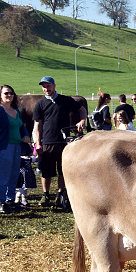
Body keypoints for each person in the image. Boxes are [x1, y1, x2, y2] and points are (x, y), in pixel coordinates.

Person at [31, 76, 87, 207]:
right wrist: (37, 142)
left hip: (63, 141)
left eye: (48, 85)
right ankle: (46, 195)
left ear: (54, 86)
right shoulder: (40, 104)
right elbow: (37, 126)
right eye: (44, 86)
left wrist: (82, 120)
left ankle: (60, 194)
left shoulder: (65, 100)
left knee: (63, 170)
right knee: (46, 171)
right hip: (47, 141)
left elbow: (82, 110)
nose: (46, 89)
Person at [1, 85, 31, 213]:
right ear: (0, 95)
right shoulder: (0, 110)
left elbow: (21, 126)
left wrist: (26, 135)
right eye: (6, 93)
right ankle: (1, 202)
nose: (9, 96)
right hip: (4, 147)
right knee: (3, 175)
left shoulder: (16, 110)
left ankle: (10, 200)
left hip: (17, 146)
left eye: (11, 93)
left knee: (14, 175)